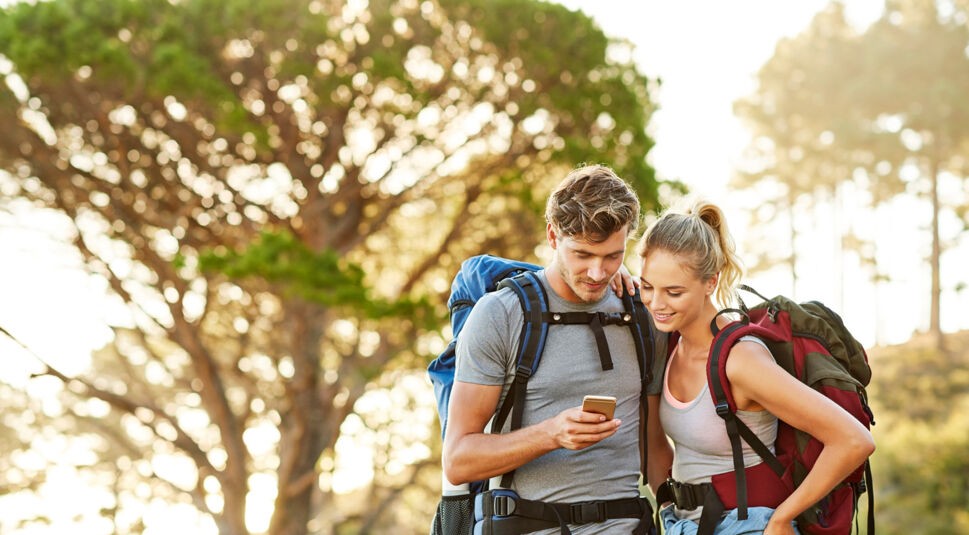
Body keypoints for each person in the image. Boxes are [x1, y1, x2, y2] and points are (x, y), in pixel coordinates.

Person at [442, 164, 664, 534]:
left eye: (612, 256)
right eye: (582, 255)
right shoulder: (501, 315)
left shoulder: (642, 314)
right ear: (552, 236)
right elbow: (459, 460)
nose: (597, 273)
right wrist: (550, 435)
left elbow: (657, 445)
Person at [637, 199, 876, 535]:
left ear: (710, 282)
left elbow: (854, 440)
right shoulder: (670, 345)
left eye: (673, 292)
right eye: (647, 286)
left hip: (747, 526)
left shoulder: (741, 360)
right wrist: (665, 507)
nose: (656, 304)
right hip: (683, 524)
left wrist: (781, 520)